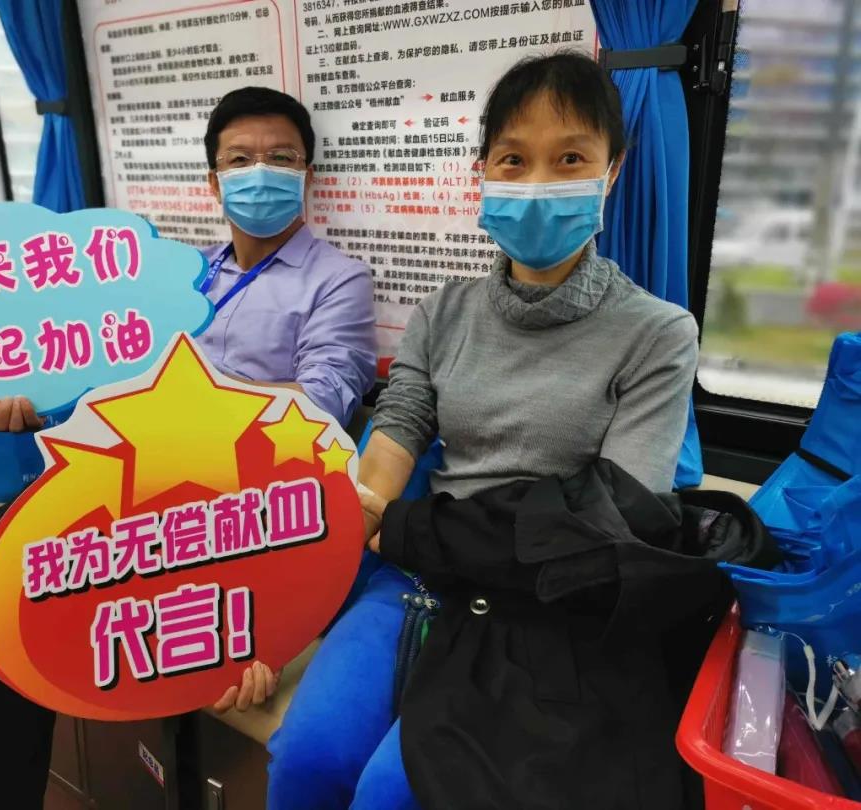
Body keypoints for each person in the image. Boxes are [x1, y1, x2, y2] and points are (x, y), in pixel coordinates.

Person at [0, 86, 377, 809]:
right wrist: (37, 400)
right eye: (240, 160)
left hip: (209, 515)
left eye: (281, 158)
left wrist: (198, 408)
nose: (261, 173)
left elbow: (325, 401)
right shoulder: (183, 275)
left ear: (307, 173)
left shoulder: (338, 279)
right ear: (213, 180)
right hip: (111, 484)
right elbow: (110, 377)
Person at [264, 51, 699, 810]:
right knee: (306, 760)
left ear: (613, 172)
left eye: (570, 159)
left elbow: (613, 515)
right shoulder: (443, 313)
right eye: (513, 160)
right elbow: (398, 428)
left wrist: (405, 531)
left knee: (396, 793)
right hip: (418, 576)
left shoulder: (658, 334)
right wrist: (349, 528)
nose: (538, 183)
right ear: (484, 174)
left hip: (548, 605)